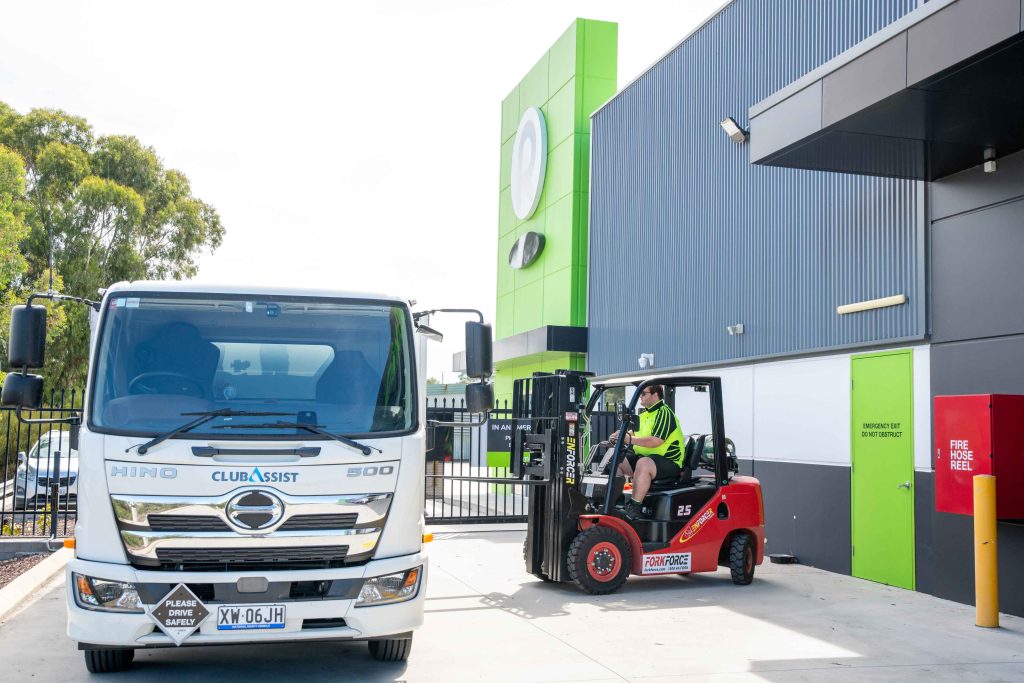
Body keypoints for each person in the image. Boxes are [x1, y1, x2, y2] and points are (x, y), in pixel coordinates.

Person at [608, 384, 684, 520]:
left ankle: (634, 507)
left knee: (643, 463)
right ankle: (615, 501)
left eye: (644, 393)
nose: (641, 397)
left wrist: (629, 439)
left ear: (655, 395)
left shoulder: (664, 413)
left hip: (668, 462)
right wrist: (621, 435)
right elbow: (636, 433)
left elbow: (656, 441)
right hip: (648, 458)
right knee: (616, 459)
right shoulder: (644, 415)